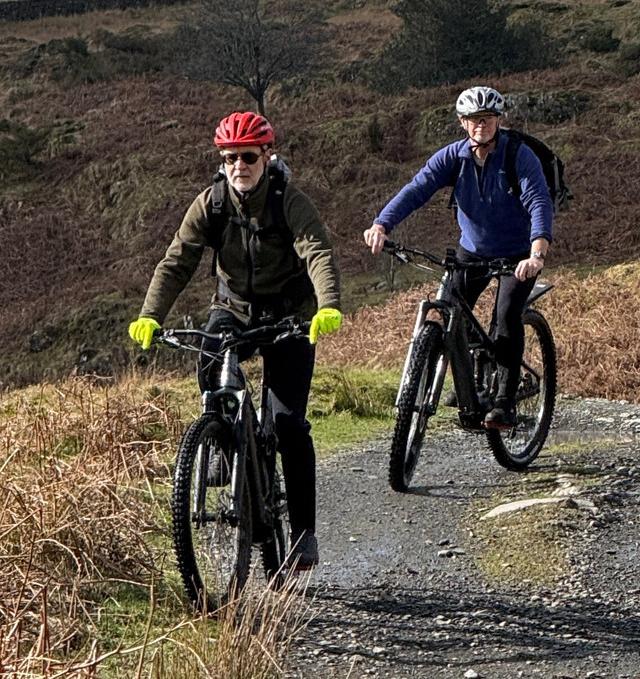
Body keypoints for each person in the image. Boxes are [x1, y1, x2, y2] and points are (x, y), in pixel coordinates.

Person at [128, 111, 343, 570]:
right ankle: (224, 444)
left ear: (267, 156)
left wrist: (327, 305)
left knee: (287, 425)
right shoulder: (212, 203)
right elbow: (176, 261)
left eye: (247, 156)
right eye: (229, 158)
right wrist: (150, 315)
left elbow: (317, 252)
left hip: (289, 316)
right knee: (210, 361)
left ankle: (304, 533)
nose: (238, 166)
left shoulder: (289, 201)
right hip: (235, 309)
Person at [363, 86, 553, 430]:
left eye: (488, 118)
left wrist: (537, 254)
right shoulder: (453, 157)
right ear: (463, 123)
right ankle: (469, 388)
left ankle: (504, 401)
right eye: (473, 120)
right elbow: (417, 189)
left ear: (497, 120)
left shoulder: (518, 156)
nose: (481, 125)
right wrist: (382, 223)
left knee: (507, 314)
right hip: (473, 251)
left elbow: (539, 201)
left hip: (517, 254)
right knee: (451, 313)